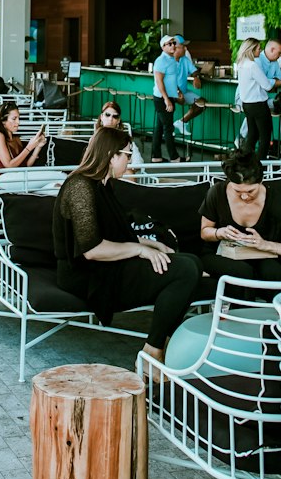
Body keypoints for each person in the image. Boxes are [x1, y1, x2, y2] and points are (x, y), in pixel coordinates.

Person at [53, 127, 202, 368]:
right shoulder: (79, 186)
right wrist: (140, 250)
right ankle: (152, 353)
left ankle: (160, 344)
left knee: (190, 261)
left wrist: (149, 243)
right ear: (111, 155)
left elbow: (115, 233)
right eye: (128, 155)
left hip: (109, 266)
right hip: (87, 275)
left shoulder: (103, 185)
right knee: (184, 270)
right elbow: (92, 249)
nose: (130, 161)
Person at [198, 148, 281, 285]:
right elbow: (204, 232)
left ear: (261, 181)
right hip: (218, 253)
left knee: (275, 274)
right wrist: (219, 232)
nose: (245, 196)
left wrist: (265, 245)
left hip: (257, 254)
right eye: (237, 191)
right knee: (241, 273)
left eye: (251, 191)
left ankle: (276, 305)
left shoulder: (272, 197)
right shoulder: (217, 192)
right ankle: (240, 304)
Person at [236, 39, 278, 159]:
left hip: (247, 104)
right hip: (259, 105)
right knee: (265, 137)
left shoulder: (241, 64)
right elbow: (267, 86)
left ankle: (245, 162)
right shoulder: (253, 65)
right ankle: (260, 165)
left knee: (252, 135)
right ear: (251, 50)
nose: (260, 50)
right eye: (258, 48)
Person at [0, 99, 46, 171]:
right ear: (3, 121)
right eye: (14, 119)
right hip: (6, 178)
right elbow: (9, 165)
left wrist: (38, 146)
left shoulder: (16, 139)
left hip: (19, 177)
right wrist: (29, 147)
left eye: (19, 118)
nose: (18, 122)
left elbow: (26, 165)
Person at [151, 35, 182, 163]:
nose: (173, 45)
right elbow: (159, 81)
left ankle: (156, 156)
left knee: (159, 128)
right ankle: (174, 157)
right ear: (163, 47)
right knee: (168, 128)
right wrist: (166, 99)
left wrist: (177, 90)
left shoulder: (171, 59)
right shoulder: (161, 61)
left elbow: (171, 79)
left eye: (174, 43)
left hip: (169, 97)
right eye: (169, 44)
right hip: (162, 98)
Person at [94, 100, 144, 177]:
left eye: (115, 116)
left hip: (121, 175)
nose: (110, 119)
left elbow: (138, 161)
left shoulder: (124, 140)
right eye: (107, 115)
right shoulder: (94, 139)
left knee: (129, 174)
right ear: (101, 117)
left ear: (118, 120)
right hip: (102, 174)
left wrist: (125, 168)